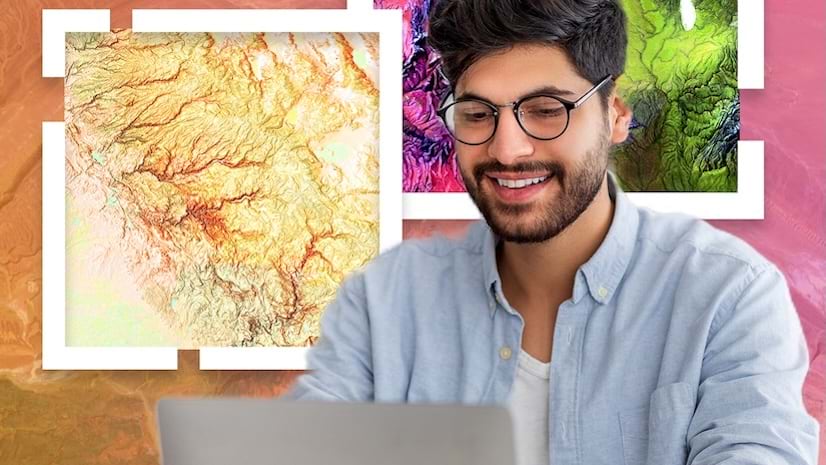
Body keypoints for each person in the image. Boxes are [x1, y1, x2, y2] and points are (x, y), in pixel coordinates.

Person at [288, 1, 820, 464]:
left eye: (547, 111)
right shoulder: (386, 301)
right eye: (477, 114)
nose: (507, 149)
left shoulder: (729, 296)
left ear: (615, 117)